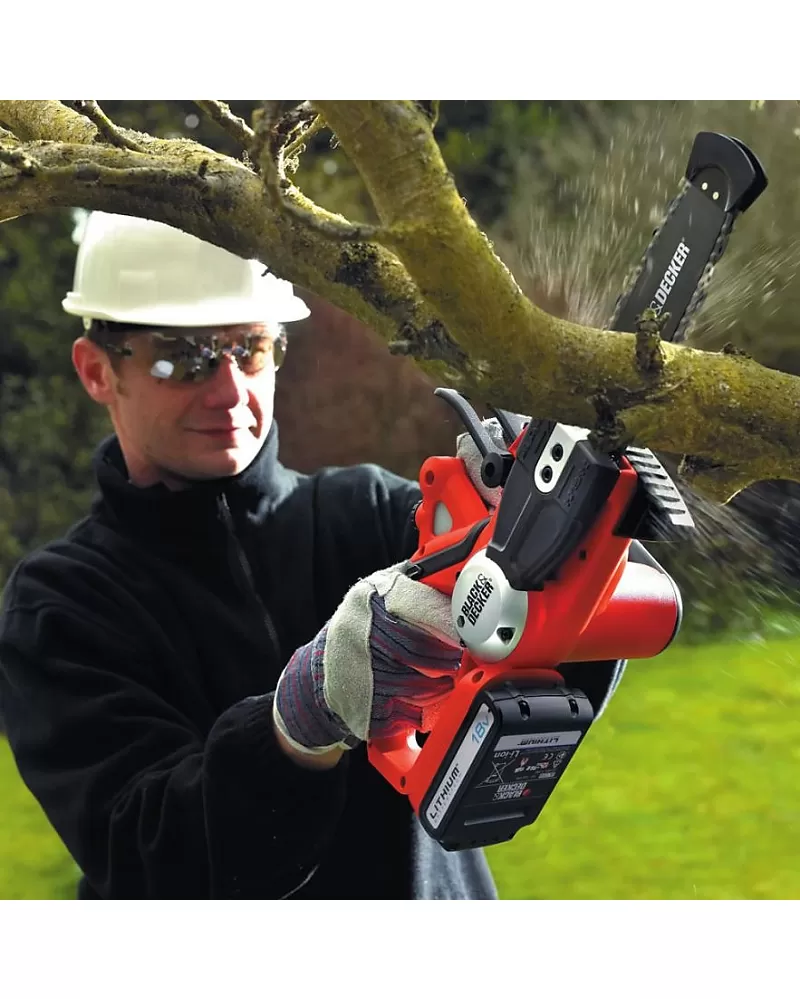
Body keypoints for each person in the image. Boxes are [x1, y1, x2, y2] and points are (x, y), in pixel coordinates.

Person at [0, 212, 623, 900]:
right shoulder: (60, 607)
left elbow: (556, 684)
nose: (229, 391)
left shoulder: (374, 511)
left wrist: (557, 539)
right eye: (183, 357)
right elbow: (151, 859)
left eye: (250, 349)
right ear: (97, 371)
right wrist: (296, 725)